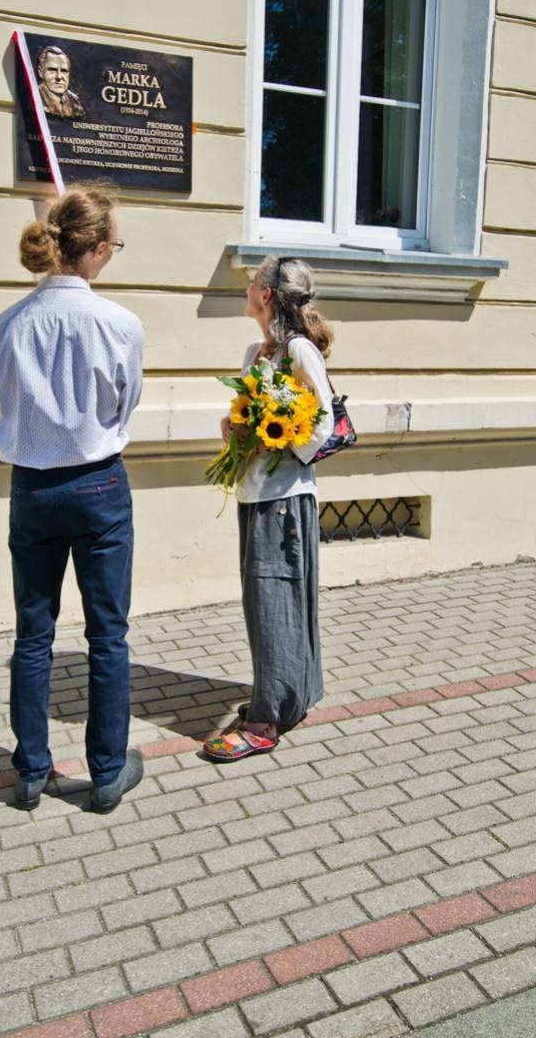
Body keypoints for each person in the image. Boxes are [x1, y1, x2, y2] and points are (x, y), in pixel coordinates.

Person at [0, 185, 144, 812]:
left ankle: (31, 770)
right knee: (107, 634)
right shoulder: (120, 323)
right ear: (100, 249)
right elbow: (122, 403)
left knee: (34, 633)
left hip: (31, 484)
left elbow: (9, 402)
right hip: (98, 481)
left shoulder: (7, 323)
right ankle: (106, 771)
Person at [203, 257, 335, 762]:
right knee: (265, 602)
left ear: (268, 294)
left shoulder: (299, 350)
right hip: (256, 493)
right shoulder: (256, 351)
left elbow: (321, 426)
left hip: (283, 502)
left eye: (253, 279)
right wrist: (236, 431)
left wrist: (277, 440)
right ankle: (289, 696)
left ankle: (264, 721)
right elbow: (250, 416)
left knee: (273, 603)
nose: (247, 284)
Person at [37, 45, 85, 119]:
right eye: (52, 70)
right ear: (40, 72)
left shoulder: (75, 100)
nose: (59, 77)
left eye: (64, 71)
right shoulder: (35, 97)